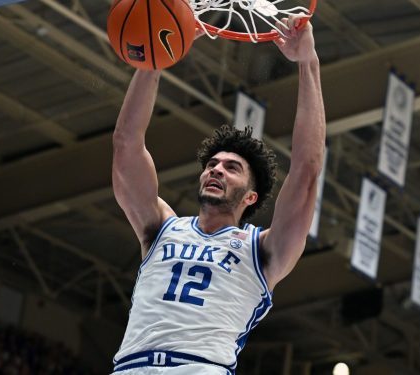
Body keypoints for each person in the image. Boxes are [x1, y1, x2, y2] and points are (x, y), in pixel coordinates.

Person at [110, 15, 324, 374]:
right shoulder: (160, 226)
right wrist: (154, 60)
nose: (216, 169)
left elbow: (307, 170)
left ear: (250, 197)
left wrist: (308, 63)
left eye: (231, 168)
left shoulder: (263, 250)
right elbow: (126, 145)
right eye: (212, 164)